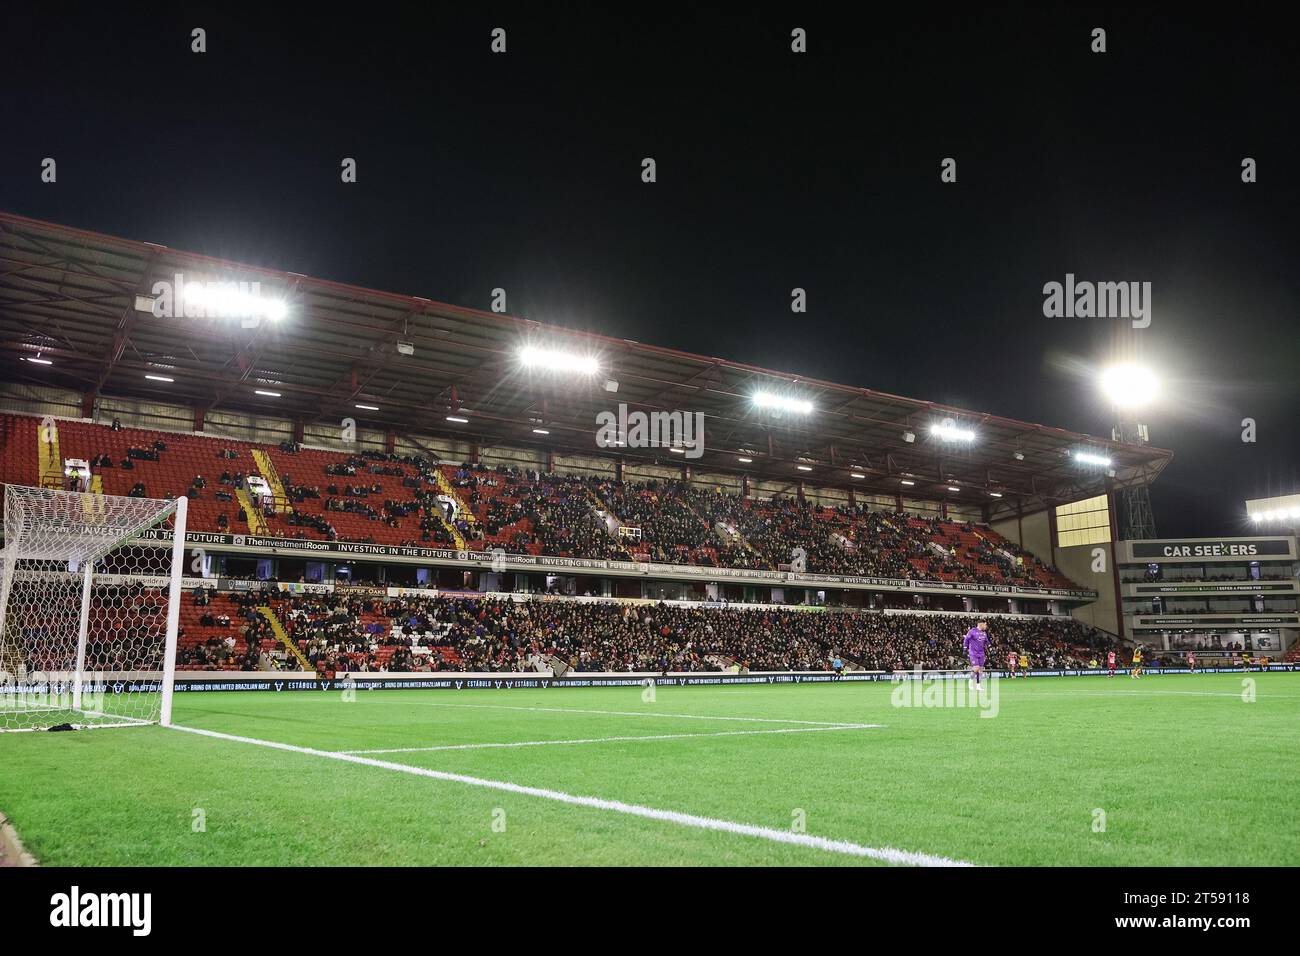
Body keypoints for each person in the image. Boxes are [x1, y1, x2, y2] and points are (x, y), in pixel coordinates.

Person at [962, 620, 989, 690]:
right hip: (973, 653)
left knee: (980, 670)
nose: (986, 626)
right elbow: (966, 640)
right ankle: (970, 682)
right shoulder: (972, 631)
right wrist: (965, 648)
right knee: (976, 668)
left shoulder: (984, 633)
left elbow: (987, 642)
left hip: (981, 653)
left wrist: (990, 647)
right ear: (981, 624)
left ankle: (978, 686)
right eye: (985, 625)